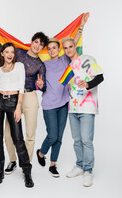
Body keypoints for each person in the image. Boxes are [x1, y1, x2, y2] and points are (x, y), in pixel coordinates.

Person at [0, 24, 48, 174]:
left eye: (41, 45)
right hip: (14, 98)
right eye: (36, 42)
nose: (38, 46)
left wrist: (40, 85)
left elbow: (44, 86)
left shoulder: (40, 64)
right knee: (8, 135)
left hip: (30, 97)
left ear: (42, 48)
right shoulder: (18, 53)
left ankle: (26, 165)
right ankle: (13, 160)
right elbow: (1, 48)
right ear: (32, 41)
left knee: (29, 134)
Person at [36, 13, 89, 177]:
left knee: (59, 137)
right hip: (49, 105)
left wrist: (81, 26)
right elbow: (40, 83)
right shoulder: (43, 64)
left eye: (55, 48)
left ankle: (53, 164)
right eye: (49, 48)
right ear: (47, 50)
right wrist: (39, 85)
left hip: (64, 104)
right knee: (52, 135)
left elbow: (73, 41)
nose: (52, 50)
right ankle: (41, 152)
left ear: (59, 49)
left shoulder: (66, 60)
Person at [0, 42, 34, 187]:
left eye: (12, 52)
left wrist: (18, 107)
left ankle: (27, 173)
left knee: (18, 138)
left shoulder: (19, 66)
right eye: (7, 52)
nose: (10, 54)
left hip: (13, 102)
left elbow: (21, 88)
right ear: (2, 54)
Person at [61, 37, 104, 187]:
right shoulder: (68, 65)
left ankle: (88, 170)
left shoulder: (87, 59)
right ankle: (79, 166)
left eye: (70, 47)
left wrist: (88, 84)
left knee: (86, 140)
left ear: (75, 46)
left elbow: (100, 77)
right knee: (77, 140)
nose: (68, 50)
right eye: (65, 48)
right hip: (72, 107)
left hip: (87, 107)